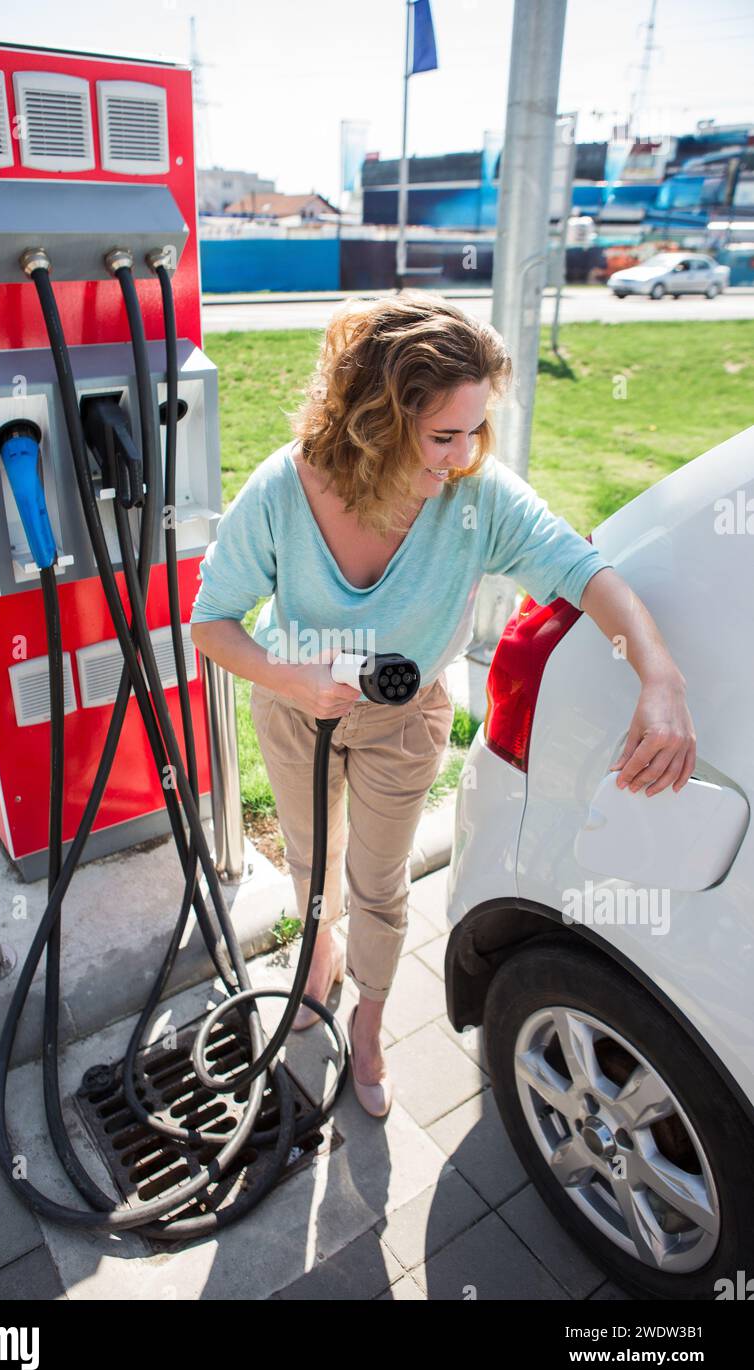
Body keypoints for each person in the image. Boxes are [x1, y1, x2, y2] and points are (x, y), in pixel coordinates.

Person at [189, 291, 696, 1118]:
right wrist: (293, 681)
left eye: (474, 433)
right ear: (373, 421)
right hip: (295, 713)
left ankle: (373, 1020)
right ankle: (318, 956)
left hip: (406, 717)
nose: (462, 458)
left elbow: (584, 570)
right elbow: (210, 622)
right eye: (442, 436)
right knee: (315, 863)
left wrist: (660, 676)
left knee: (381, 884)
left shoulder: (476, 497)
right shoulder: (286, 488)